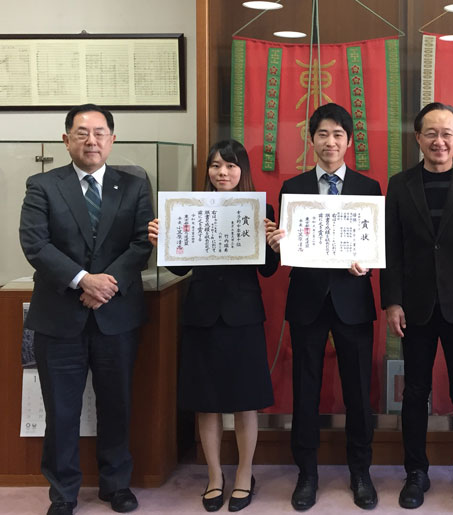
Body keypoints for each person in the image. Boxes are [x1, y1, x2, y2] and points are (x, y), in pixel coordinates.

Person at [19, 104, 154, 515]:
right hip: (60, 317)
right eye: (81, 132)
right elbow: (35, 244)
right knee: (61, 409)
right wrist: (83, 279)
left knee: (117, 404)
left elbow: (141, 242)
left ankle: (117, 485)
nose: (91, 140)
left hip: (117, 317)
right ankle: (63, 493)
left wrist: (104, 284)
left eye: (99, 133)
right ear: (66, 139)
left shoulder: (133, 186)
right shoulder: (42, 185)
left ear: (112, 140)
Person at [147, 140, 278, 512]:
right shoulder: (190, 208)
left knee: (244, 403)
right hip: (202, 315)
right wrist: (163, 241)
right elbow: (177, 268)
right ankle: (215, 475)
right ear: (207, 171)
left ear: (243, 171)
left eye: (231, 166)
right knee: (206, 403)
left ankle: (244, 473)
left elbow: (267, 270)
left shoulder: (260, 209)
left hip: (243, 316)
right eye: (216, 166)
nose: (223, 172)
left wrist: (273, 243)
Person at [265, 103, 381, 511]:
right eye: (322, 134)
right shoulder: (293, 187)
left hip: (352, 298)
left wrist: (366, 263)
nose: (329, 142)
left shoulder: (369, 189)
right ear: (310, 140)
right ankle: (307, 474)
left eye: (337, 135)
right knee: (305, 390)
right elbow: (284, 251)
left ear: (349, 142)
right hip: (308, 299)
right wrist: (276, 244)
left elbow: (374, 247)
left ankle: (360, 472)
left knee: (358, 392)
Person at [380, 102, 453, 513]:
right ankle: (416, 472)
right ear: (418, 138)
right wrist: (391, 301)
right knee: (415, 392)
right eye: (431, 133)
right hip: (415, 306)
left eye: (447, 133)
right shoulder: (399, 184)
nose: (439, 141)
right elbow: (390, 247)